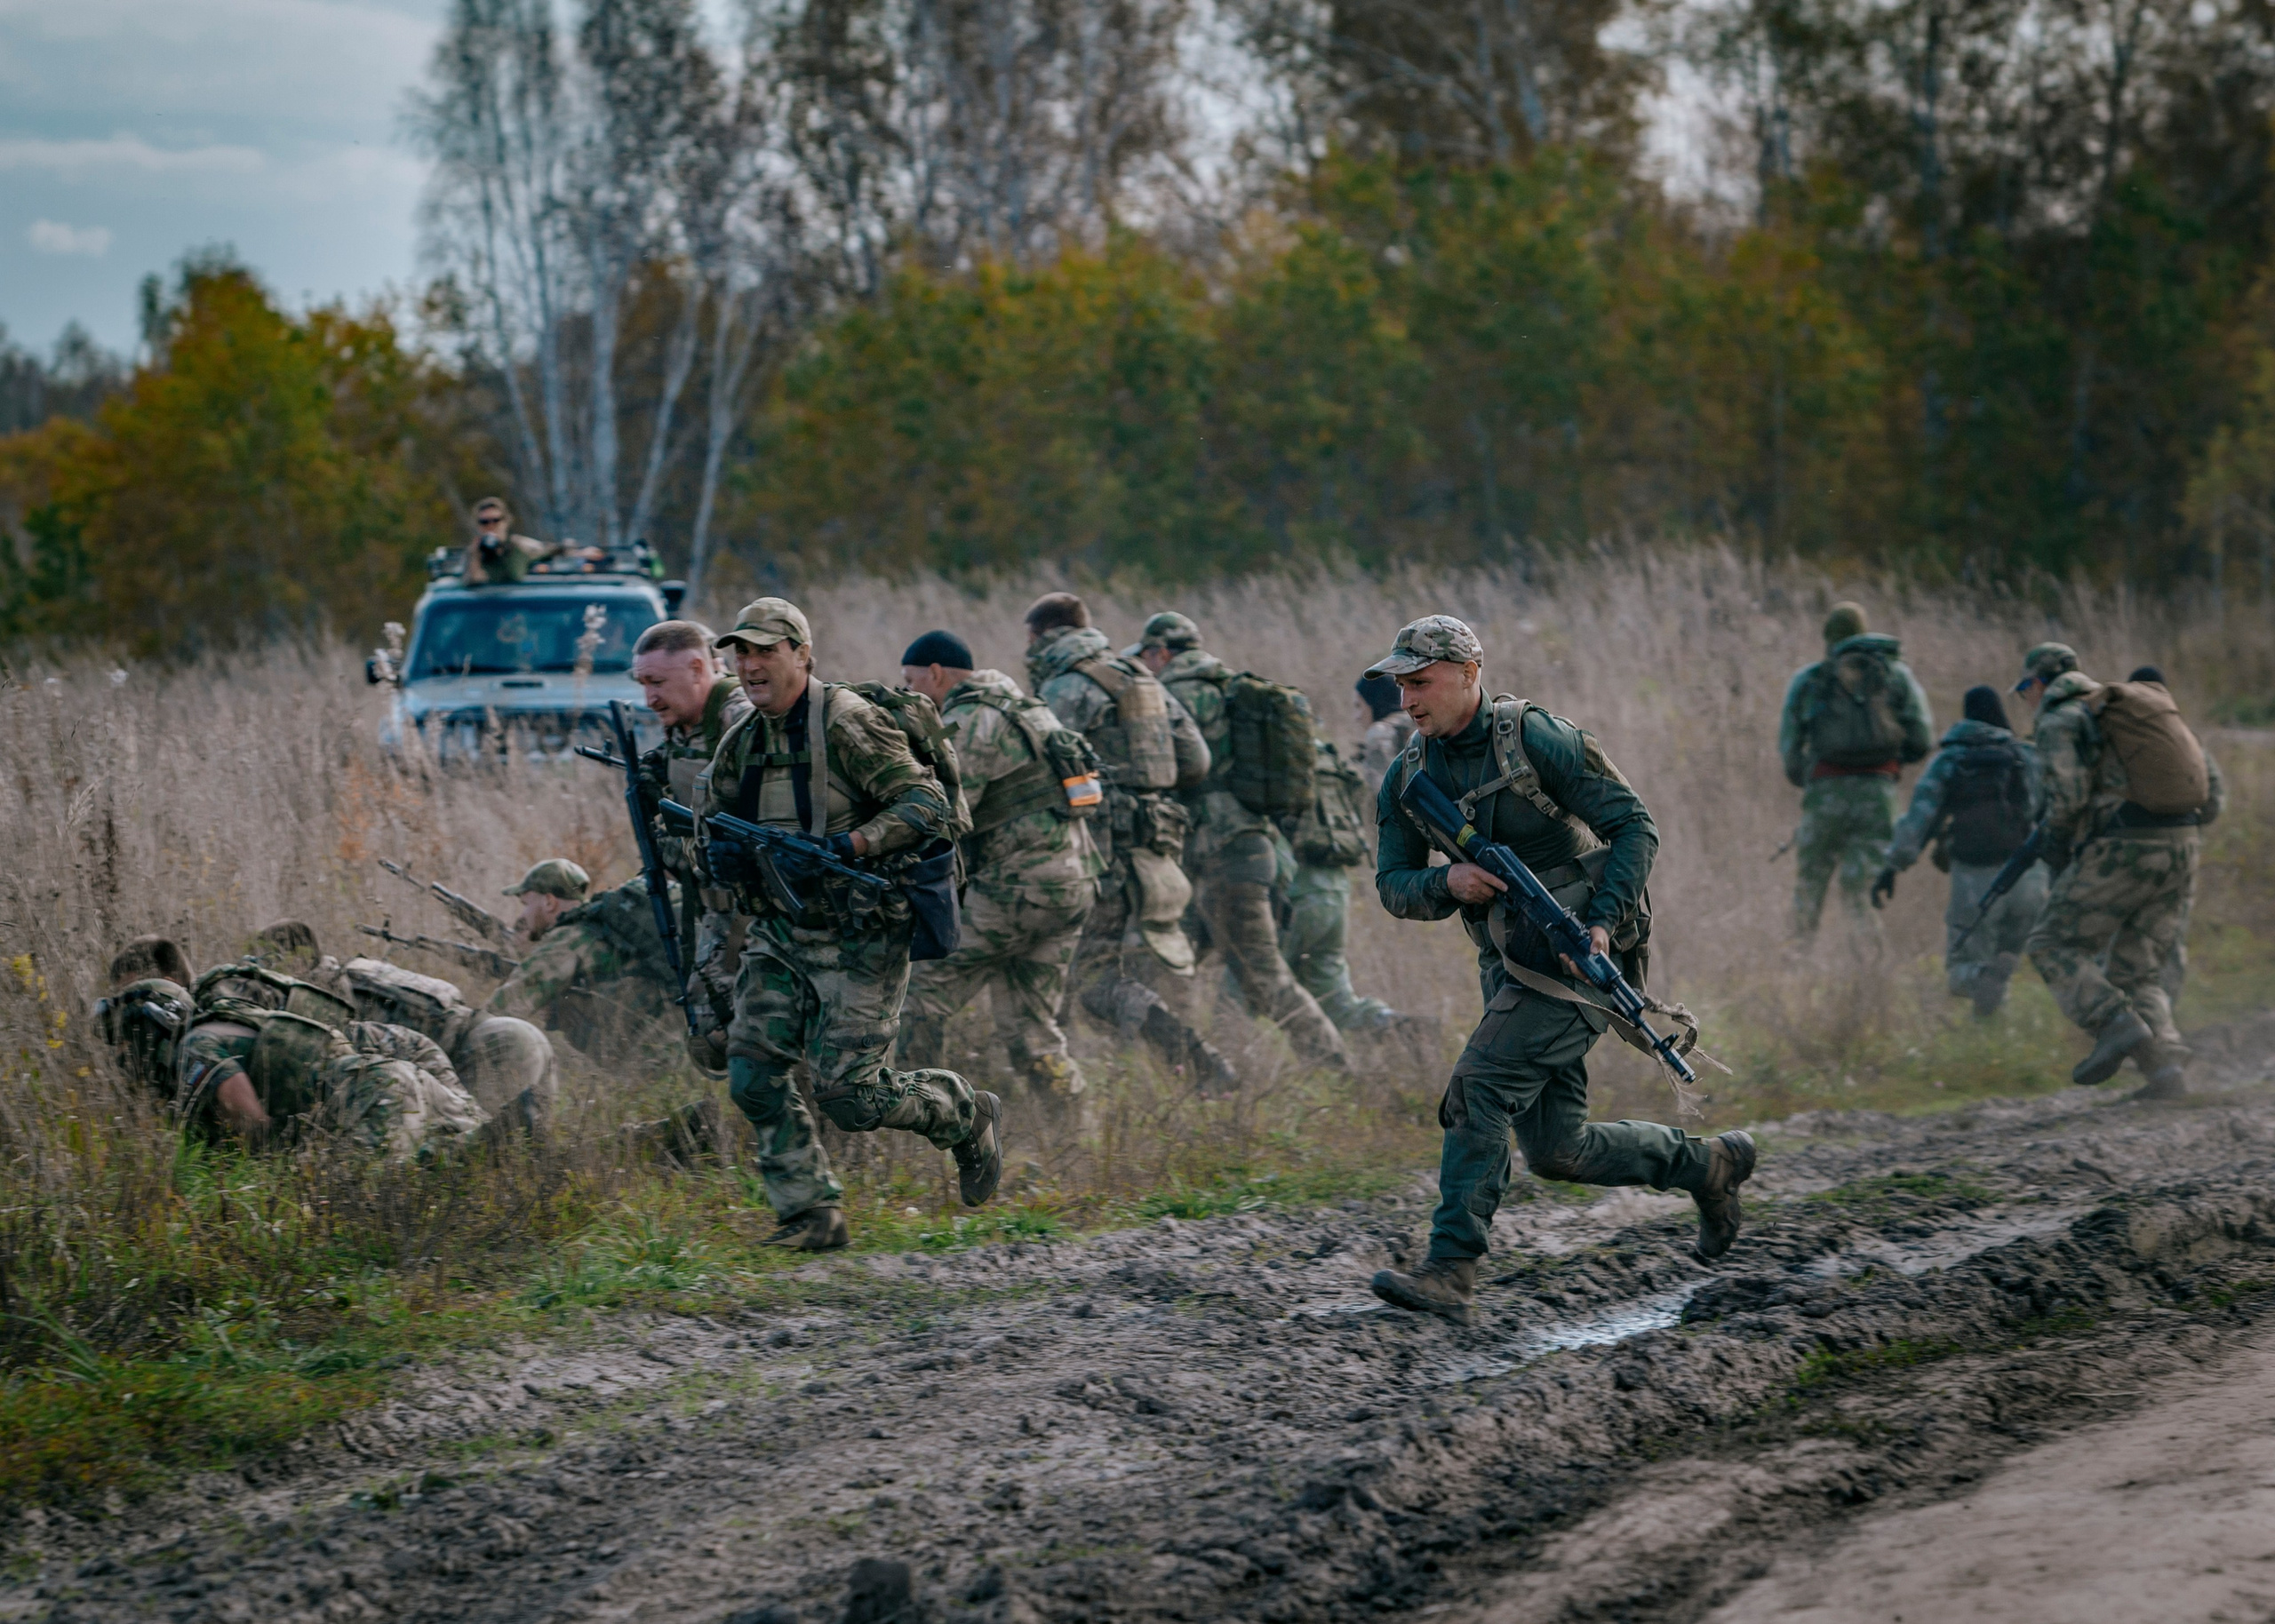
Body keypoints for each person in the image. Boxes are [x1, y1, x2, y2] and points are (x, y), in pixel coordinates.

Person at [1361, 616, 1754, 1325]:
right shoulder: (1407, 778)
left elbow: (1635, 826)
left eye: (1421, 682)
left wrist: (1602, 923)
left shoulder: (1537, 738)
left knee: (1479, 1088)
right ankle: (1710, 1166)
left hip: (1581, 952)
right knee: (1558, 1150)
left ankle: (1451, 1270)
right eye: (1400, 686)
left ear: (1470, 671)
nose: (1408, 701)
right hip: (1512, 963)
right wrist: (1448, 885)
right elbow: (1392, 883)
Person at [692, 597, 1002, 1251]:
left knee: (851, 1098)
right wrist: (715, 855)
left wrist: (852, 846)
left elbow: (927, 801)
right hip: (781, 934)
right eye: (740, 653)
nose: (749, 665)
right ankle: (811, 1216)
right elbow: (705, 828)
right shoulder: (741, 741)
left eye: (764, 650)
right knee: (751, 1074)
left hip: (863, 932)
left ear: (802, 654)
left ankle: (965, 1113)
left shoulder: (848, 723)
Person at [1025, 593, 1238, 1092]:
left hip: (1092, 849)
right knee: (1084, 965)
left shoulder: (1063, 687)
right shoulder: (1137, 677)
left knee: (1086, 973)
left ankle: (1196, 1064)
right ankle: (1063, 1076)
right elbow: (1195, 761)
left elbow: (1037, 773)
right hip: (1153, 841)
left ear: (1041, 637)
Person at [897, 631, 1105, 1117]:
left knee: (920, 990)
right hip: (1071, 886)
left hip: (1019, 891)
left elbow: (943, 812)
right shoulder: (1027, 707)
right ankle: (1077, 1137)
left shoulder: (969, 721)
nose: (909, 695)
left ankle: (914, 1119)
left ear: (936, 674)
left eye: (911, 683)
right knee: (1032, 1032)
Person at [1129, 611, 1346, 1071]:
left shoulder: (1173, 694)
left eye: (1148, 657)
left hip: (1222, 857)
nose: (1146, 667)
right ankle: (1184, 1071)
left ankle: (1336, 1067)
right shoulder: (1229, 685)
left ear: (1161, 653)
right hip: (1243, 851)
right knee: (1164, 965)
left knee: (1262, 978)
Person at [2019, 644, 2224, 1099]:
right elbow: (2212, 797)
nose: (2025, 699)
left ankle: (2114, 1023)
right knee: (2138, 968)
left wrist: (2055, 846)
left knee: (2052, 943)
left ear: (2037, 683)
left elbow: (2067, 800)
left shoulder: (2060, 719)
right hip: (2182, 848)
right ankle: (2166, 1070)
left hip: (2125, 847)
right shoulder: (2128, 713)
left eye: (2022, 690)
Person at [101, 943, 488, 1161]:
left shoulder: (194, 1045)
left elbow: (254, 1124)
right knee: (463, 1156)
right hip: (391, 1074)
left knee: (337, 1211)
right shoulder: (232, 1012)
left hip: (372, 1096)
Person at [245, 919, 557, 1127]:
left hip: (489, 1049)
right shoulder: (357, 969)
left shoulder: (326, 992)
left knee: (478, 1147)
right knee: (530, 1153)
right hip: (514, 1033)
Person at [1870, 686, 2048, 1016]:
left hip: (1977, 882)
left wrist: (1891, 869)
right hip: (2030, 880)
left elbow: (1919, 821)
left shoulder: (1951, 760)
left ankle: (1982, 985)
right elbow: (2051, 812)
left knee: (1964, 971)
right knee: (2003, 964)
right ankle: (1992, 1038)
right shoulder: (2026, 756)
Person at [630, 619, 754, 1070]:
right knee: (709, 1041)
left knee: (755, 1037)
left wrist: (671, 847)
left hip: (762, 909)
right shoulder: (683, 725)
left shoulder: (740, 721)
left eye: (658, 682)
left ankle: (807, 1125)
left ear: (699, 668)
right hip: (714, 906)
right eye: (643, 684)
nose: (649, 698)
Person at [1777, 602, 1935, 940]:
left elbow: (1790, 749)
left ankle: (1795, 963)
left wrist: (1811, 778)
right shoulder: (1895, 675)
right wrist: (1886, 766)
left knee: (1810, 882)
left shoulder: (1810, 679)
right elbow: (1922, 738)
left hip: (1825, 795)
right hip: (1878, 797)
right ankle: (1869, 967)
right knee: (1861, 889)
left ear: (1828, 638)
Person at [485, 860, 682, 1056]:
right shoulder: (603, 925)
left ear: (549, 901)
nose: (523, 914)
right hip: (676, 1038)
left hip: (651, 1053)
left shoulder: (569, 938)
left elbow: (510, 1002)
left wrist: (468, 1032)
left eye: (526, 904)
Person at [1273, 731, 1401, 1031]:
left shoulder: (1262, 760)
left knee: (1239, 992)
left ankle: (1223, 1070)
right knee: (1337, 1002)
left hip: (1294, 894)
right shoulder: (1321, 757)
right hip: (1334, 892)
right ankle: (1393, 1026)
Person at [459, 496, 603, 585]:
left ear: (506, 522)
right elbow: (473, 582)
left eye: (496, 521)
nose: (491, 526)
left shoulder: (519, 546)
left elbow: (549, 550)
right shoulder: (473, 553)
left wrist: (580, 553)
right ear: (478, 525)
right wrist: (477, 553)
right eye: (485, 522)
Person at [1355, 673, 1416, 797]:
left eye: (1359, 706)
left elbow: (1382, 794)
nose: (1357, 716)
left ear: (1374, 702)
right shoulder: (1420, 723)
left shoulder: (1379, 733)